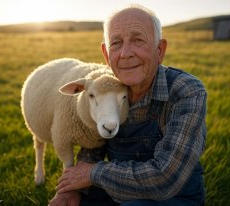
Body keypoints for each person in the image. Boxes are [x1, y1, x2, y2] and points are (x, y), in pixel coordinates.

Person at [49, 4, 207, 206]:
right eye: (116, 43)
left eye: (138, 40)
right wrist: (72, 191)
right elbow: (92, 149)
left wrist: (93, 173)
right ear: (106, 54)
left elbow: (166, 179)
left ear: (159, 50)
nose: (125, 53)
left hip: (175, 197)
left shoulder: (186, 91)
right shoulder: (104, 88)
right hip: (117, 191)